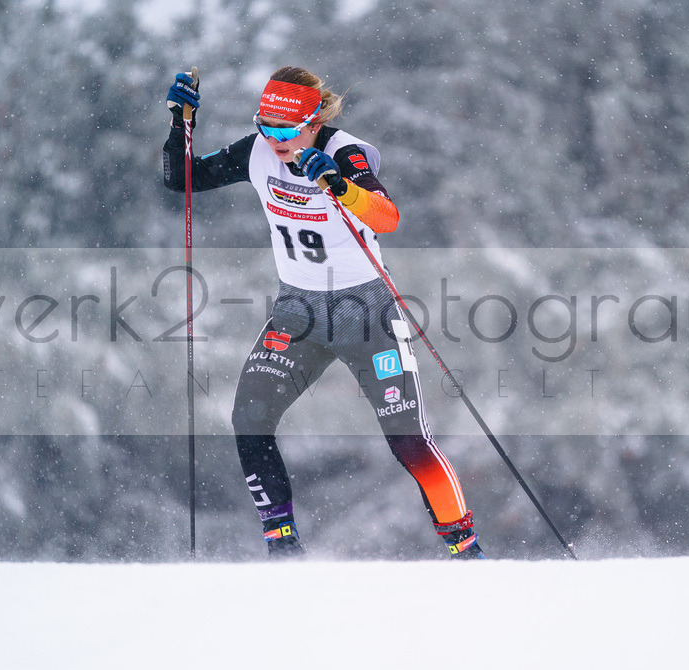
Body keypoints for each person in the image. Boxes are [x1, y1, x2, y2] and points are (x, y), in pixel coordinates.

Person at [162, 67, 485, 559]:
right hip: (298, 313)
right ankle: (283, 547)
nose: (275, 141)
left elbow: (387, 217)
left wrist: (339, 185)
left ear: (314, 122)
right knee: (249, 418)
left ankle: (466, 549)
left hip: (366, 312)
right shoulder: (256, 151)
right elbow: (179, 179)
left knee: (409, 444)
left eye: (287, 131)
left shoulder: (344, 152)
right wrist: (180, 123)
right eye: (265, 127)